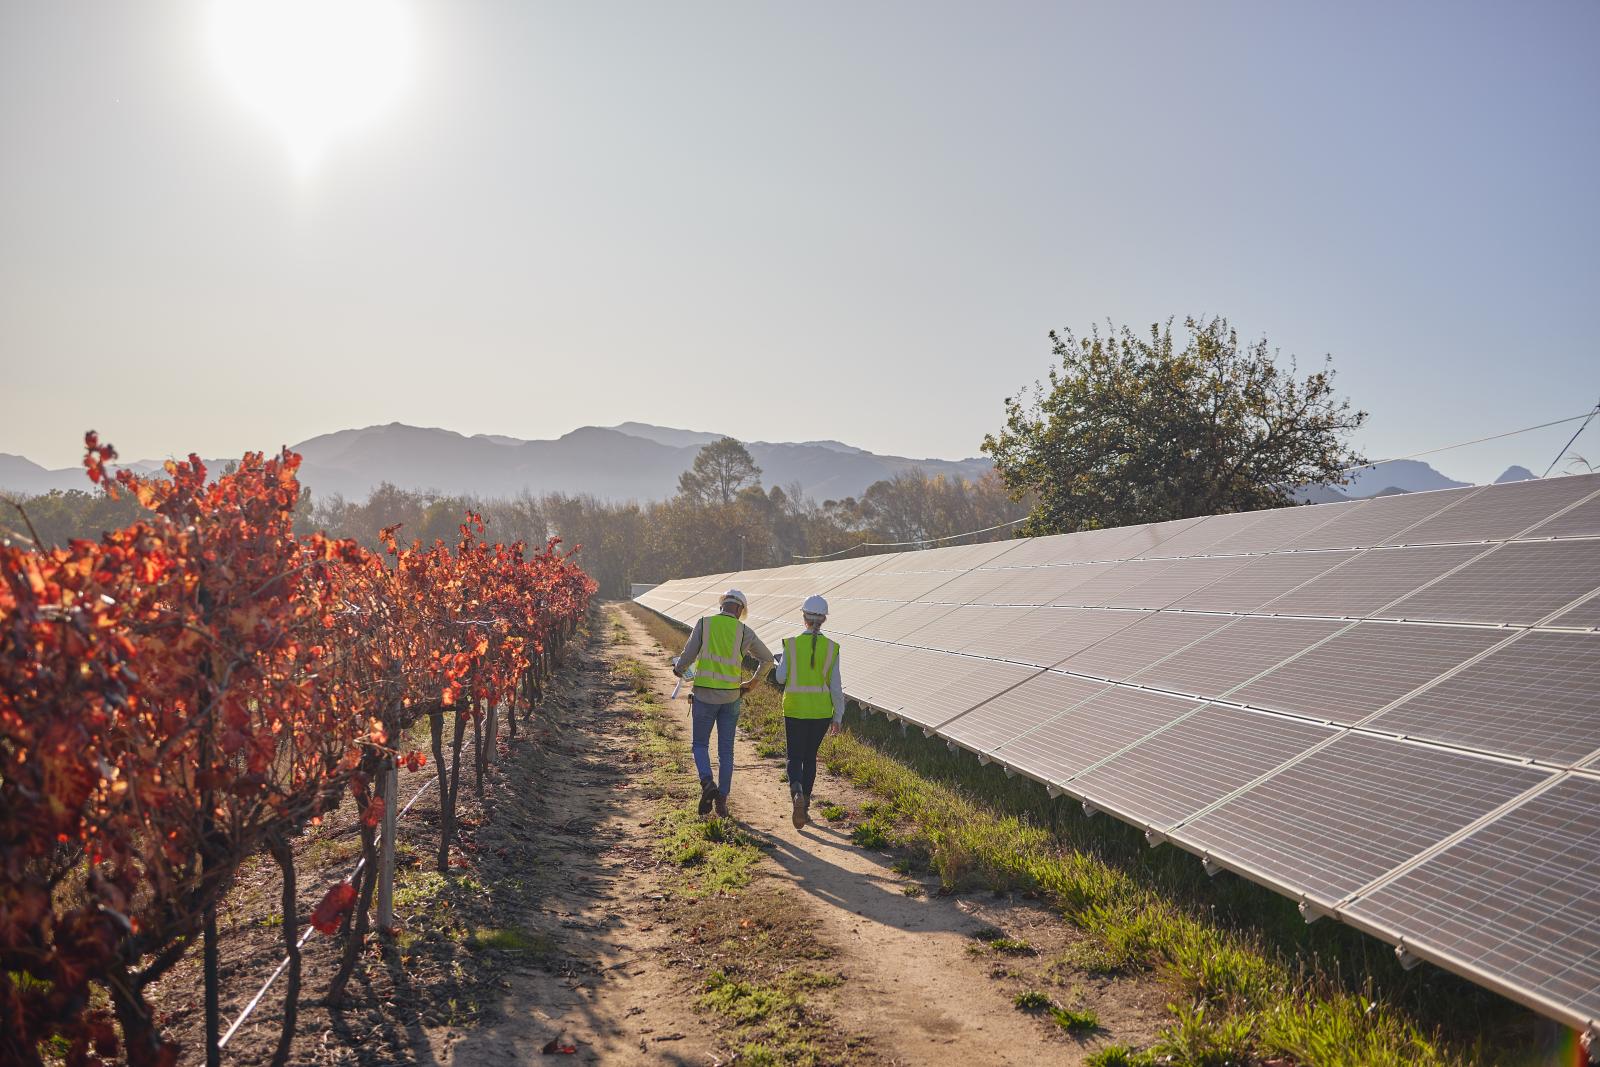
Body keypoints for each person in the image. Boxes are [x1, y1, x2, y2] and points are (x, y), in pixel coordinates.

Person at [672, 588, 774, 818]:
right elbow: (767, 659)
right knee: (726, 752)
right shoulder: (744, 631)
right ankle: (722, 801)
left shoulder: (705, 624)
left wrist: (679, 670)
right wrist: (752, 683)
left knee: (700, 744)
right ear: (739, 610)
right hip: (731, 698)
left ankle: (707, 782)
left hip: (704, 696)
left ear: (722, 605)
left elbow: (688, 656)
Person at [774, 595, 844, 830]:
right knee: (810, 758)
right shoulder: (832, 648)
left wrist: (781, 663)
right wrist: (838, 716)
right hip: (821, 712)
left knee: (794, 756)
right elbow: (836, 686)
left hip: (794, 708)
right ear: (823, 619)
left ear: (803, 616)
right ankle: (805, 809)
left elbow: (780, 677)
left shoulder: (791, 645)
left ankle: (796, 792)